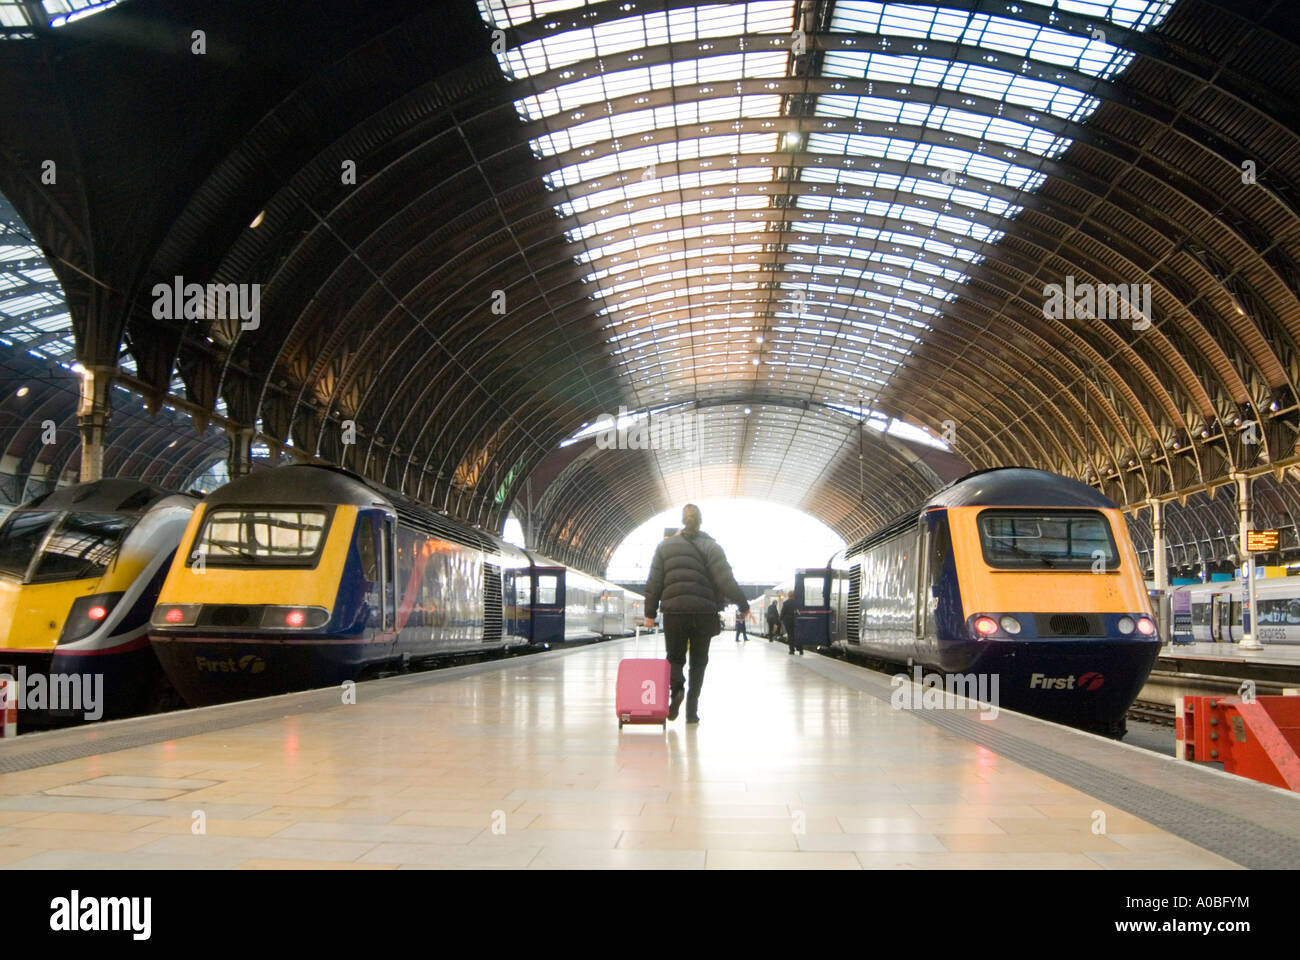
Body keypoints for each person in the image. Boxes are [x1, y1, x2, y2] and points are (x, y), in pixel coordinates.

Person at [643, 504, 749, 724]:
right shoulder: (712, 547)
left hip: (674, 613)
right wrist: (743, 604)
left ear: (683, 520)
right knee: (699, 662)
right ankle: (692, 711)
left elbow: (654, 582)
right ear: (700, 521)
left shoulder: (665, 547)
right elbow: (725, 580)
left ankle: (677, 691)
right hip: (703, 613)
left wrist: (649, 613)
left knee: (674, 658)